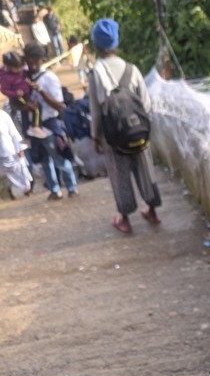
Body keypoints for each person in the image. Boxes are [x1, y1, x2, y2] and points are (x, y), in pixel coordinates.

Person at [87, 17, 160, 234]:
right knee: (145, 169)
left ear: (95, 45)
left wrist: (95, 136)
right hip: (138, 130)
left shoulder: (96, 73)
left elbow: (95, 109)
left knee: (119, 175)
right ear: (116, 43)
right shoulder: (131, 69)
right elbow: (146, 103)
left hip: (113, 136)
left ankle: (126, 219)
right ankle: (152, 211)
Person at [23, 41, 78, 200]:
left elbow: (59, 105)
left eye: (36, 59)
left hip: (49, 124)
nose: (32, 62)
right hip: (33, 126)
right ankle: (55, 190)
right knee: (43, 160)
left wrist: (41, 91)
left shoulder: (49, 78)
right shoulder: (23, 77)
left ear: (42, 59)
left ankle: (71, 187)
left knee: (59, 158)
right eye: (29, 58)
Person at [0, 50, 38, 136]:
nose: (20, 69)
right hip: (18, 98)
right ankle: (35, 128)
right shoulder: (6, 77)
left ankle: (27, 132)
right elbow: (4, 90)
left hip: (25, 94)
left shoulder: (20, 69)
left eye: (21, 66)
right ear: (9, 67)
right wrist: (15, 93)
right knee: (35, 108)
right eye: (17, 68)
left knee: (25, 115)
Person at [0, 102, 32, 197]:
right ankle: (10, 194)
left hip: (9, 152)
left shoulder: (3, 116)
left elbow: (13, 133)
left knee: (18, 172)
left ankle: (26, 190)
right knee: (5, 177)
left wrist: (20, 149)